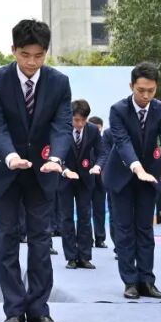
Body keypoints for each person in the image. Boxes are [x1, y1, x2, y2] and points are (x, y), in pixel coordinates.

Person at [0, 19, 72, 322]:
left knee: (41, 241)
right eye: (25, 55)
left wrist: (56, 158)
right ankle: (14, 310)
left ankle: (39, 310)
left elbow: (62, 125)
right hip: (4, 171)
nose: (32, 62)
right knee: (6, 240)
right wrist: (11, 157)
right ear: (13, 50)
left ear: (46, 52)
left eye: (39, 55)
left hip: (43, 172)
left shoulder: (59, 83)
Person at [102, 62, 161, 300]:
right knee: (124, 229)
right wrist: (137, 168)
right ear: (131, 86)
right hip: (122, 175)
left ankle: (147, 280)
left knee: (145, 229)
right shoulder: (118, 110)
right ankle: (130, 281)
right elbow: (122, 143)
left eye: (151, 91)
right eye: (141, 90)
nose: (146, 96)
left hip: (150, 177)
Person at [59, 100, 101, 269]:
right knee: (66, 217)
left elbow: (102, 152)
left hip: (85, 178)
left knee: (85, 216)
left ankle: (84, 256)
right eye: (76, 120)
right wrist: (64, 170)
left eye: (83, 120)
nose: (80, 124)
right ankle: (71, 257)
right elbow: (54, 153)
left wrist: (98, 166)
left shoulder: (92, 130)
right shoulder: (61, 129)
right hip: (65, 179)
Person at [87, 116, 110, 249]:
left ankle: (100, 238)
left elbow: (106, 157)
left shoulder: (104, 142)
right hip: (86, 179)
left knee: (99, 210)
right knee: (85, 211)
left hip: (100, 180)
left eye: (98, 128)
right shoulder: (84, 140)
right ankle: (87, 238)